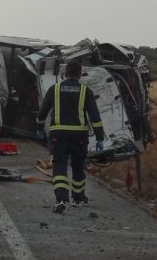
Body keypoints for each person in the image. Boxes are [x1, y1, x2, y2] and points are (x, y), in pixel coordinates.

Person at [37, 62, 106, 213]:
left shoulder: (54, 89)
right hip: (79, 136)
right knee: (78, 167)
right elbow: (95, 116)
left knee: (59, 166)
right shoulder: (85, 91)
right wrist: (100, 137)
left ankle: (61, 199)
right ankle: (78, 198)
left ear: (65, 74)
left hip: (58, 136)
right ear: (80, 74)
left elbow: (42, 112)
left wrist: (39, 128)